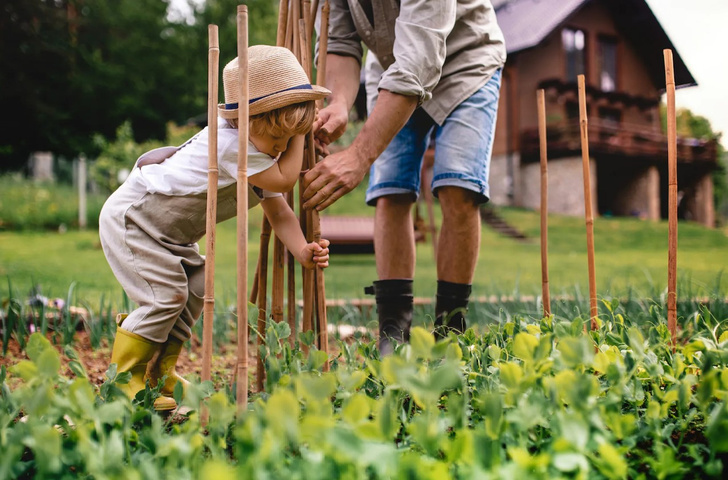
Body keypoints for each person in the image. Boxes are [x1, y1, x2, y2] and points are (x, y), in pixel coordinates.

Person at [99, 45, 331, 410]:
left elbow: (278, 208)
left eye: (287, 143)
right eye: (277, 141)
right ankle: (123, 383)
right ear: (245, 123)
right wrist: (302, 133)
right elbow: (287, 180)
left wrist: (302, 249)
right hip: (135, 221)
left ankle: (160, 375)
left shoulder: (257, 150)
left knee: (193, 289)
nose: (282, 150)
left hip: (171, 236)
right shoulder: (229, 145)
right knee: (165, 297)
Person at [302, 0, 506, 354]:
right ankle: (393, 335)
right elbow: (339, 44)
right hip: (392, 69)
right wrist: (338, 104)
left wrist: (359, 155)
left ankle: (449, 334)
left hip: (465, 60)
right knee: (390, 190)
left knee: (458, 187)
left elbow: (419, 60)